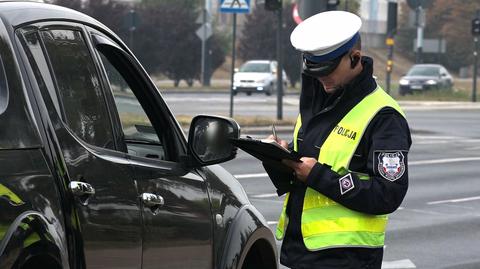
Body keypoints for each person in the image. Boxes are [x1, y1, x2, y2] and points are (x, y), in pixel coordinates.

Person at [263, 11, 412, 269]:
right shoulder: (318, 102)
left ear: (355, 58)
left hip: (348, 258)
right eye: (315, 70)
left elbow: (388, 194)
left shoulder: (384, 116)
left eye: (328, 70)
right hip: (301, 253)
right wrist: (279, 157)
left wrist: (318, 175)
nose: (321, 78)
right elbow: (305, 173)